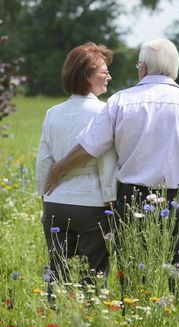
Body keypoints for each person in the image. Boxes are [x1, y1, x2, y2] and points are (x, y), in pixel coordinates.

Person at [43, 38, 179, 293]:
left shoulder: (120, 101)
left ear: (143, 67)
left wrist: (58, 168)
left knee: (135, 277)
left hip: (133, 200)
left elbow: (89, 148)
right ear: (174, 69)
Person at [36, 42, 117, 298]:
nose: (109, 77)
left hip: (56, 202)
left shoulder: (52, 112)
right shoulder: (105, 111)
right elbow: (107, 162)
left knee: (57, 272)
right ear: (87, 76)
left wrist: (44, 198)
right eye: (104, 72)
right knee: (94, 275)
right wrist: (112, 205)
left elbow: (44, 160)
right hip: (91, 203)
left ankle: (53, 319)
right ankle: (91, 321)